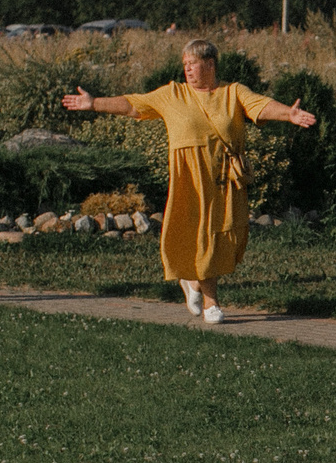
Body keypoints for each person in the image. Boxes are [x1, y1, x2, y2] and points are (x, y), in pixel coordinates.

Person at [61, 40, 316, 324]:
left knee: (224, 237)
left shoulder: (233, 93)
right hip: (190, 181)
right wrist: (94, 103)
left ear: (209, 65)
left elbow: (260, 105)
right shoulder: (173, 94)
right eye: (184, 65)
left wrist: (288, 114)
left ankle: (193, 282)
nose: (187, 70)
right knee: (203, 235)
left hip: (225, 178)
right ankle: (212, 303)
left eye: (192, 64)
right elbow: (133, 104)